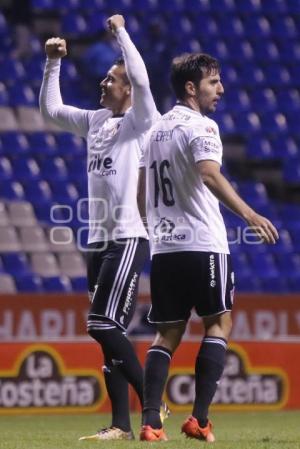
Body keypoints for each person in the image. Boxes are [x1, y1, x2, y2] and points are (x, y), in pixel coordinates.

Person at [139, 52, 279, 442]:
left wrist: (156, 232)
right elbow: (208, 173)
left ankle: (151, 423)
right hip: (204, 244)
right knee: (219, 323)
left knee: (166, 334)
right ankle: (198, 419)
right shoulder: (203, 126)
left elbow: (140, 192)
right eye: (213, 82)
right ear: (191, 88)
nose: (221, 89)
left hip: (164, 249)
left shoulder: (154, 131)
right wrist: (250, 215)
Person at [40, 14, 165, 441]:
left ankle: (153, 401)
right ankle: (121, 426)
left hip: (128, 238)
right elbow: (52, 110)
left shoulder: (138, 123)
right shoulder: (96, 122)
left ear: (127, 89)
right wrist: (52, 64)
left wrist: (121, 35)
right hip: (97, 242)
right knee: (109, 336)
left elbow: (145, 84)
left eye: (112, 79)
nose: (103, 84)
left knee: (101, 324)